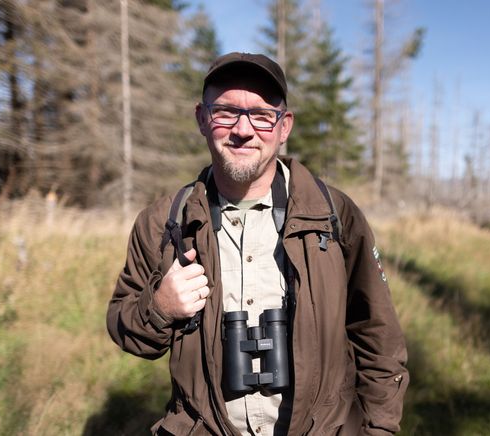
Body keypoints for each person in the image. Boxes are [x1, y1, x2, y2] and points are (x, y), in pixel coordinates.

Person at [107, 52, 408, 435]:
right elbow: (124, 325)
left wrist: (379, 430)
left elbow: (379, 339)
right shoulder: (165, 222)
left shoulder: (335, 216)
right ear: (202, 118)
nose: (243, 130)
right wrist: (161, 307)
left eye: (263, 115)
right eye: (226, 112)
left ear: (285, 127)